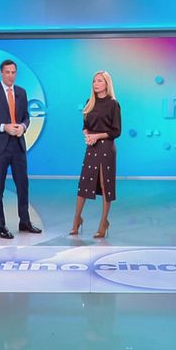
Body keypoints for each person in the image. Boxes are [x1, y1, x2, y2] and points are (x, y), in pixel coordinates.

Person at [0, 59, 42, 239]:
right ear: (1, 73)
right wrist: (3, 127)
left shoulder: (21, 92)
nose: (11, 76)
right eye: (7, 72)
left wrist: (23, 126)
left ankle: (25, 222)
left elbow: (26, 117)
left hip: (18, 146)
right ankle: (1, 226)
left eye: (13, 72)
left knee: (23, 185)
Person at [69, 71, 121, 238]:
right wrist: (87, 136)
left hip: (106, 148)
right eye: (94, 81)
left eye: (99, 81)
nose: (96, 84)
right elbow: (85, 126)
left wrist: (97, 136)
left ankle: (103, 223)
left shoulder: (113, 104)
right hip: (91, 147)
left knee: (105, 185)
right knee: (84, 183)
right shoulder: (89, 102)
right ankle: (77, 220)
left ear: (107, 84)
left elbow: (116, 131)